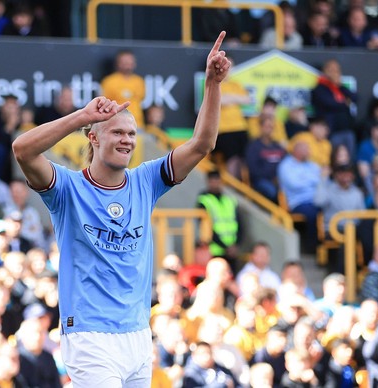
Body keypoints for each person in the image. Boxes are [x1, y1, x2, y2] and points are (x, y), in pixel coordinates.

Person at [12, 31, 231, 387]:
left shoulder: (146, 181)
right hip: (89, 335)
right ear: (94, 137)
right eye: (117, 132)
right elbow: (23, 149)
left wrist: (213, 84)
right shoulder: (68, 189)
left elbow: (203, 143)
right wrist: (80, 116)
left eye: (131, 134)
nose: (127, 140)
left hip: (137, 335)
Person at [196, 170, 241, 271]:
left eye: (217, 180)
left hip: (232, 250)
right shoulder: (204, 201)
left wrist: (236, 244)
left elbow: (239, 224)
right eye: (212, 180)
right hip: (215, 250)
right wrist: (226, 247)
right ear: (208, 181)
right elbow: (206, 228)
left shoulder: (229, 200)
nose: (215, 183)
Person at [100, 49, 146, 129]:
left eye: (130, 62)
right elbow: (104, 105)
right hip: (116, 124)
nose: (128, 65)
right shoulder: (109, 81)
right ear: (118, 63)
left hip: (137, 124)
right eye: (125, 62)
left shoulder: (139, 81)